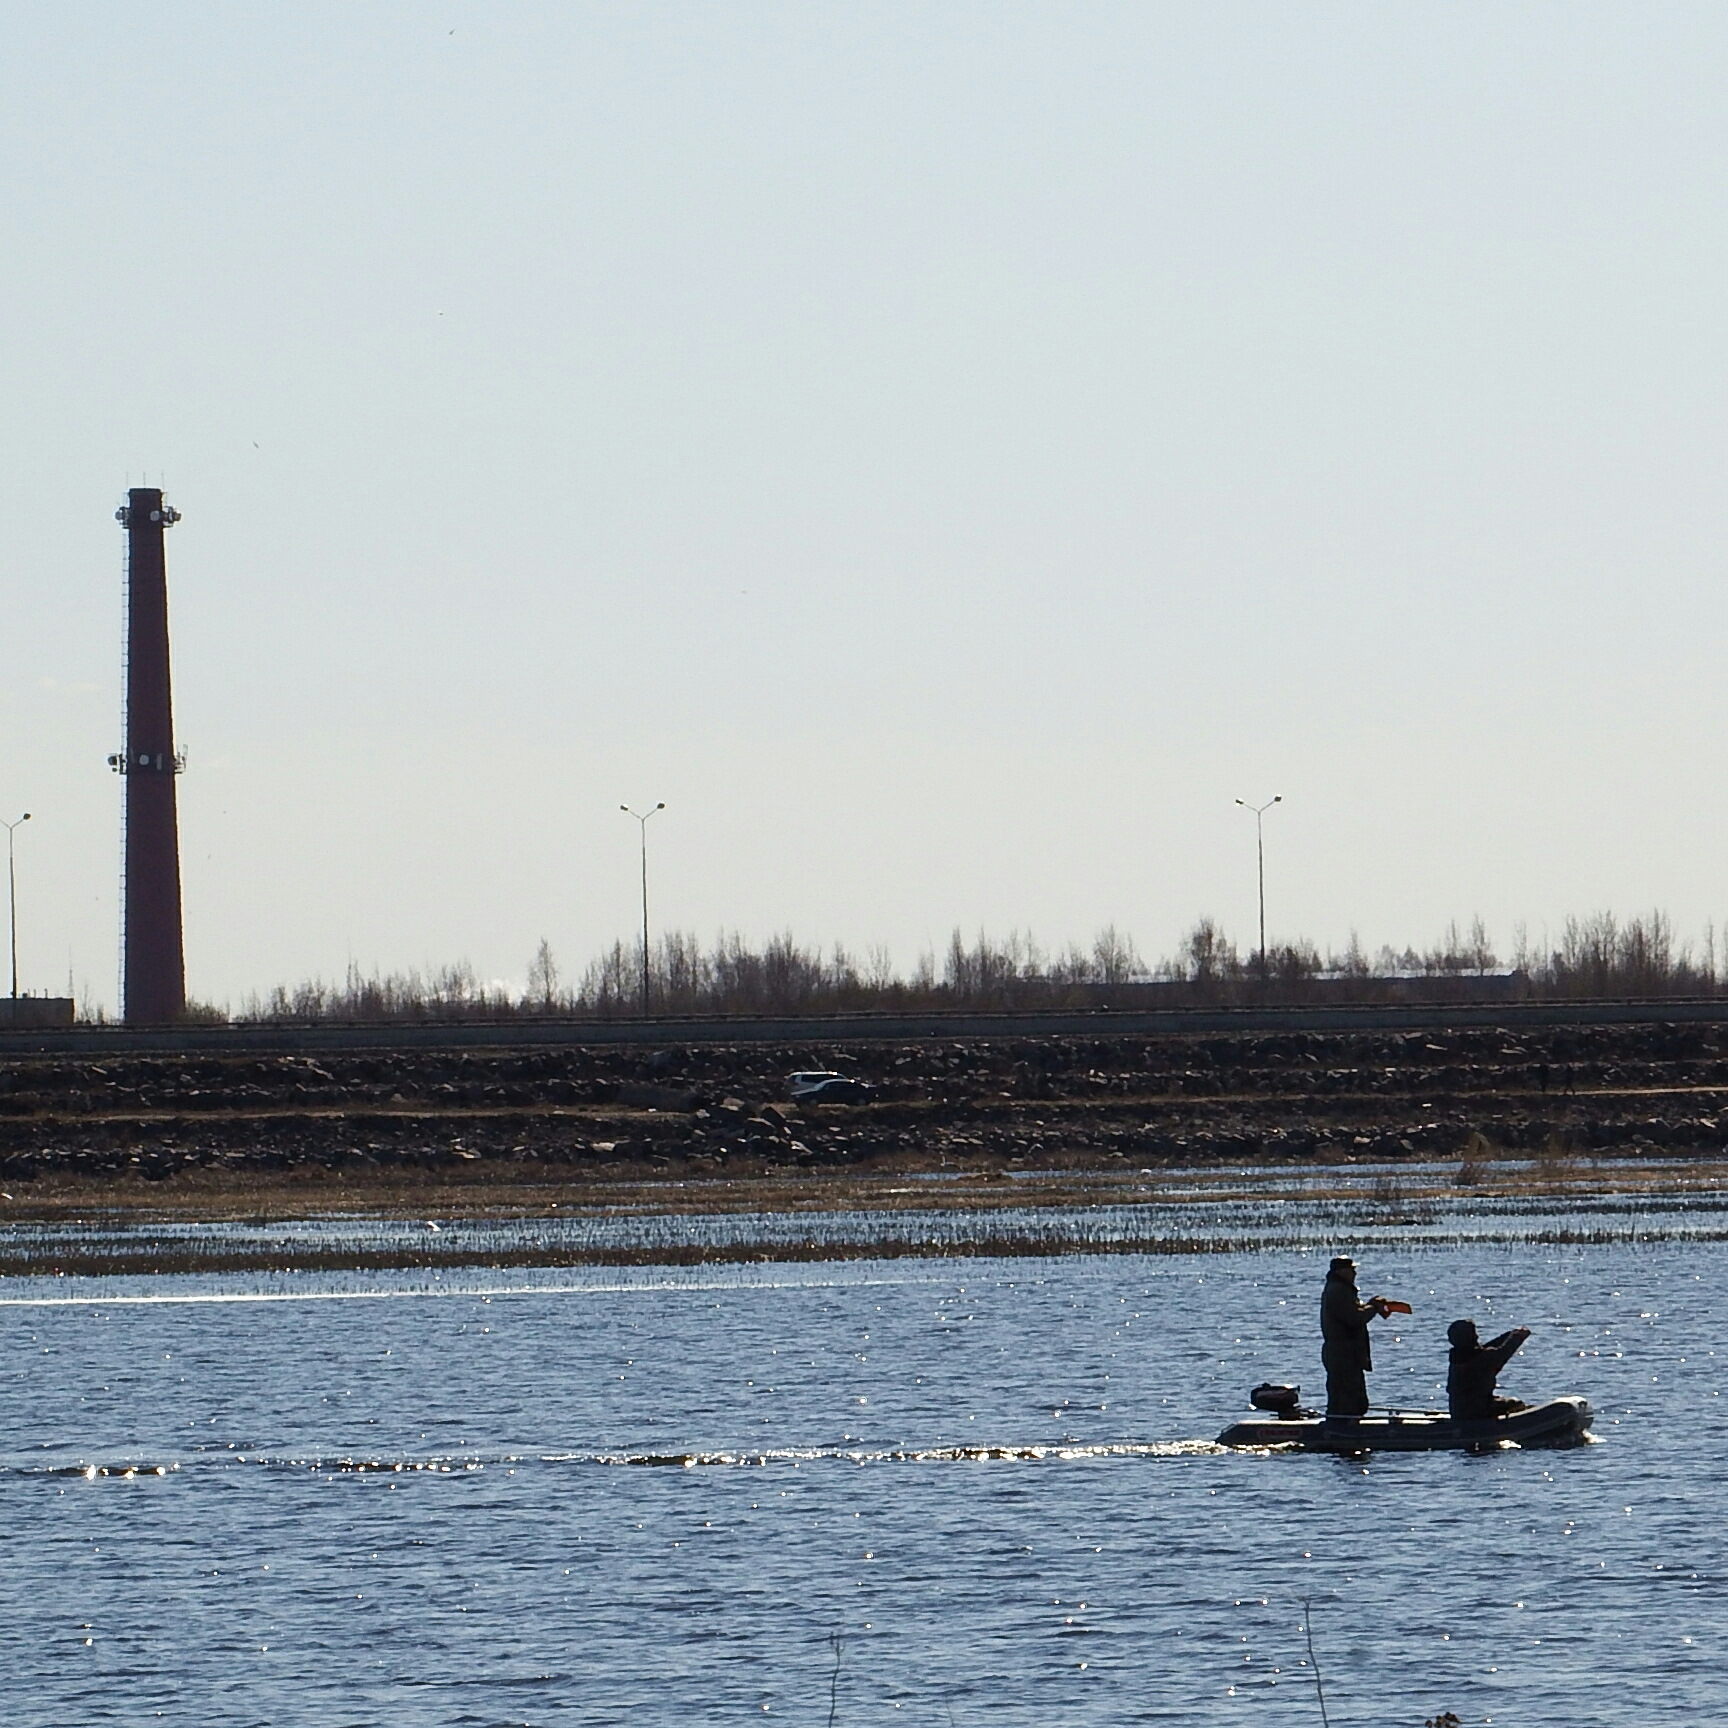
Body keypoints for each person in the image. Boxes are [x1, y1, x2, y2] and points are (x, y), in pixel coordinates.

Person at [1320, 1256, 1393, 1418]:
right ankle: (1342, 1433)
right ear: (1340, 1271)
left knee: (1349, 1398)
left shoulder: (1341, 1289)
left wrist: (1370, 1305)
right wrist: (1373, 1307)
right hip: (1343, 1353)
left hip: (1345, 1353)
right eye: (1351, 1269)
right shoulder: (1338, 1290)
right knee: (1348, 1401)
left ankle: (1342, 1429)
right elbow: (1355, 1318)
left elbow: (1355, 1313)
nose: (1354, 1273)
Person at [1446, 1318, 1530, 1420]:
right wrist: (1518, 1337)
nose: (1477, 1336)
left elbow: (1489, 1348)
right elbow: (1502, 1353)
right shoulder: (1481, 1359)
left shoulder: (1457, 1358)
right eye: (1474, 1334)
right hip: (1478, 1411)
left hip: (1458, 1411)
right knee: (1516, 1403)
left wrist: (1509, 1335)